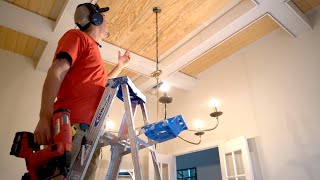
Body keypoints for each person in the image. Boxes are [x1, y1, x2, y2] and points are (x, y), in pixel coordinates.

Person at [33, 3, 131, 180]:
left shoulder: (93, 53)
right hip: (73, 129)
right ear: (96, 19)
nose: (107, 23)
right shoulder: (77, 37)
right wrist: (44, 116)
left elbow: (103, 82)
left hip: (90, 134)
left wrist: (120, 66)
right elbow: (56, 71)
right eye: (104, 19)